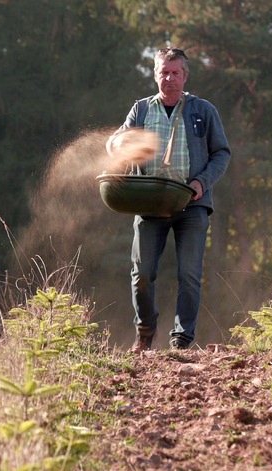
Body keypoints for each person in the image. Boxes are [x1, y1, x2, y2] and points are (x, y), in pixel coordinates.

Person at [106, 46, 231, 352]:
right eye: (164, 72)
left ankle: (182, 339)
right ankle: (146, 331)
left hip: (192, 204)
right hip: (150, 205)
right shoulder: (142, 110)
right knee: (143, 274)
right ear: (155, 75)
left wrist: (202, 182)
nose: (169, 78)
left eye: (175, 72)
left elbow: (221, 153)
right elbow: (115, 143)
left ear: (185, 76)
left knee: (189, 275)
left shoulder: (204, 111)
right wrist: (119, 145)